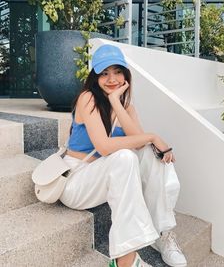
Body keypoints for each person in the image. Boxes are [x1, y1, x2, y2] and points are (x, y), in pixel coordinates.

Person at [59, 44, 187, 267]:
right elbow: (104, 146)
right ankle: (126, 260)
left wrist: (117, 103)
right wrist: (154, 136)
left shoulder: (125, 106)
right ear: (95, 76)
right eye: (105, 73)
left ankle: (163, 233)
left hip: (107, 177)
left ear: (126, 75)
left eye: (117, 71)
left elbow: (139, 141)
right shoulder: (87, 98)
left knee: (152, 155)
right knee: (126, 155)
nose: (112, 79)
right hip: (77, 181)